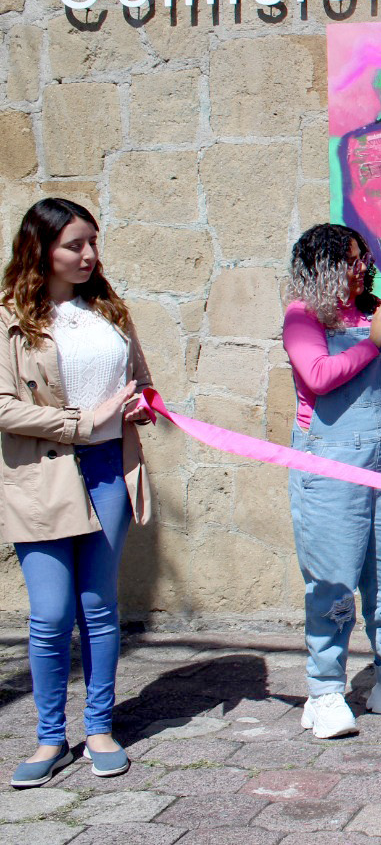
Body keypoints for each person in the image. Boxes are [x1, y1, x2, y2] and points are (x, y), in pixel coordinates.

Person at [0, 199, 152, 786]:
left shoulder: (111, 310)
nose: (89, 255)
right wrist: (81, 422)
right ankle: (47, 739)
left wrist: (141, 407)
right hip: (43, 474)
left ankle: (99, 728)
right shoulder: (13, 318)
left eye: (93, 242)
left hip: (111, 468)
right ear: (41, 249)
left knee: (98, 607)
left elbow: (137, 384)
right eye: (74, 245)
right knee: (50, 614)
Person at [282, 223, 381, 738]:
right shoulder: (303, 316)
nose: (362, 268)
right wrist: (373, 342)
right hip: (329, 464)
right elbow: (318, 376)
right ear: (323, 267)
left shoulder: (372, 311)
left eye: (363, 258)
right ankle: (324, 688)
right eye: (350, 260)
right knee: (333, 577)